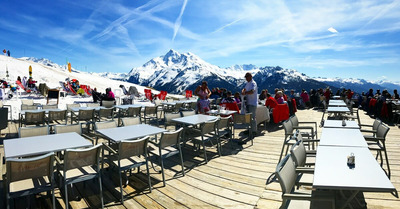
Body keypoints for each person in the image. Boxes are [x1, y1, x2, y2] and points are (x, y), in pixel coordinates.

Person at [240, 72, 258, 144]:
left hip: (252, 103)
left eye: (247, 77)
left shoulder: (253, 83)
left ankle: (254, 131)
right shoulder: (247, 83)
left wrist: (245, 93)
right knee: (248, 118)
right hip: (248, 103)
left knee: (253, 117)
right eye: (245, 77)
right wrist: (243, 91)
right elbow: (244, 89)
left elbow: (252, 91)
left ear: (250, 76)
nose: (246, 78)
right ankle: (249, 129)